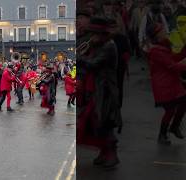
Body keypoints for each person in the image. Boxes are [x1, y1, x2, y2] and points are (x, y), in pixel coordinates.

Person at [77, 17, 121, 168]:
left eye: (95, 34)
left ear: (102, 34)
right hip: (97, 88)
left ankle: (112, 155)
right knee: (96, 122)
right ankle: (104, 153)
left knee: (105, 123)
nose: (92, 38)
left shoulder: (108, 46)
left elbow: (93, 64)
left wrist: (79, 58)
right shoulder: (100, 45)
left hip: (106, 90)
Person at [146, 23, 186, 145]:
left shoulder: (162, 47)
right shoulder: (156, 50)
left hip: (170, 83)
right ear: (157, 35)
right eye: (162, 30)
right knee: (170, 110)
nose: (165, 31)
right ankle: (163, 134)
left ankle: (173, 127)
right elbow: (172, 66)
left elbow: (173, 58)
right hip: (163, 85)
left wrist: (185, 50)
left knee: (182, 103)